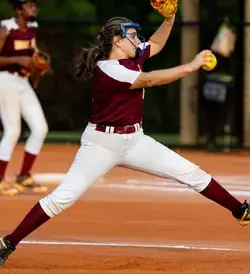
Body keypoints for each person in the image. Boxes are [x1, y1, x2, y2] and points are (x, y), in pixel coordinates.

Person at [0, 15, 249, 267]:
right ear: (117, 41)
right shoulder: (109, 69)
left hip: (136, 140)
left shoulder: (130, 56)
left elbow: (156, 43)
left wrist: (170, 17)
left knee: (192, 173)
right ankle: (7, 243)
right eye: (131, 35)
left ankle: (240, 210)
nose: (138, 40)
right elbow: (150, 79)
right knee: (63, 197)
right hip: (101, 145)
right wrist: (191, 66)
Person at [0, 0, 49, 196]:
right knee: (13, 131)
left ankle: (24, 176)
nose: (34, 8)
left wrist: (39, 62)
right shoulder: (5, 28)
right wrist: (17, 61)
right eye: (29, 5)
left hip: (22, 82)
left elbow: (32, 53)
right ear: (18, 9)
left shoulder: (32, 29)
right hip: (5, 80)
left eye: (34, 5)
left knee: (40, 128)